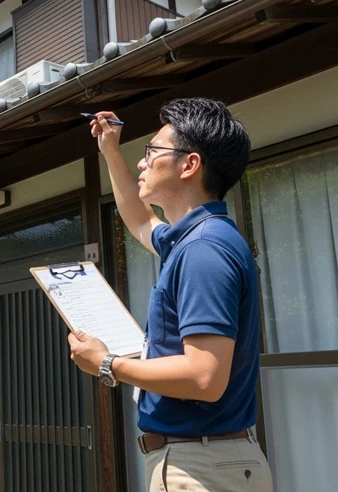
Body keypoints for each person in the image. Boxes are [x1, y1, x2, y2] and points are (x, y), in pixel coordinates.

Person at [67, 98, 273, 491]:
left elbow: (204, 377)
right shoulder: (194, 239)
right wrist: (110, 150)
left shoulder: (203, 250)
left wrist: (107, 363)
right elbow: (140, 220)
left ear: (189, 164)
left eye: (151, 152)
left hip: (201, 466)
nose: (142, 163)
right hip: (210, 461)